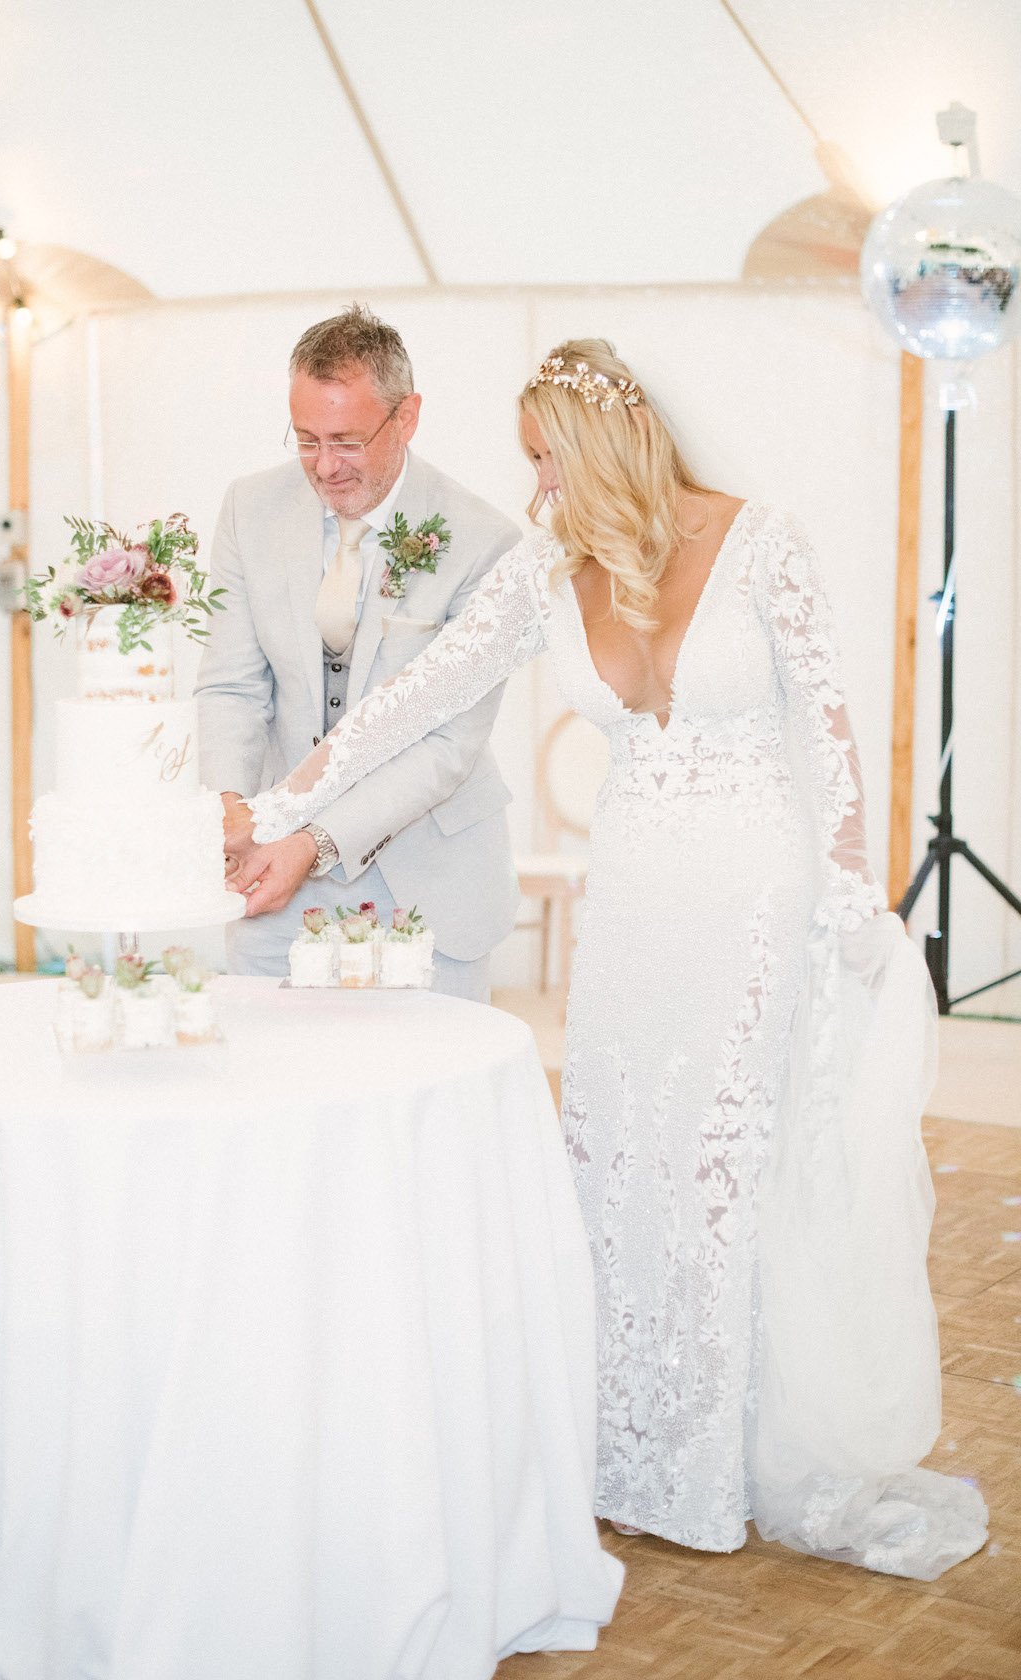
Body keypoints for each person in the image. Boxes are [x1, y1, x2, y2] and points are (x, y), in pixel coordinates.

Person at [231, 339, 989, 1579]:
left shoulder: (764, 543)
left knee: (721, 1162)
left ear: (604, 451)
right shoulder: (547, 569)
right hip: (636, 895)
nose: (534, 493)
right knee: (623, 1153)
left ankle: (717, 1459)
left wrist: (854, 903)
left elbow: (831, 739)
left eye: (545, 464)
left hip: (756, 889)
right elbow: (416, 697)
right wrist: (282, 802)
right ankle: (627, 1449)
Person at [195, 304, 520, 1003]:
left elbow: (446, 747)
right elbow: (231, 686)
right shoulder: (249, 510)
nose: (325, 466)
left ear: (406, 418)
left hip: (430, 871)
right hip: (272, 873)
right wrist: (230, 810)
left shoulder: (482, 540)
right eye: (306, 440)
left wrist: (312, 842)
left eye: (346, 441)